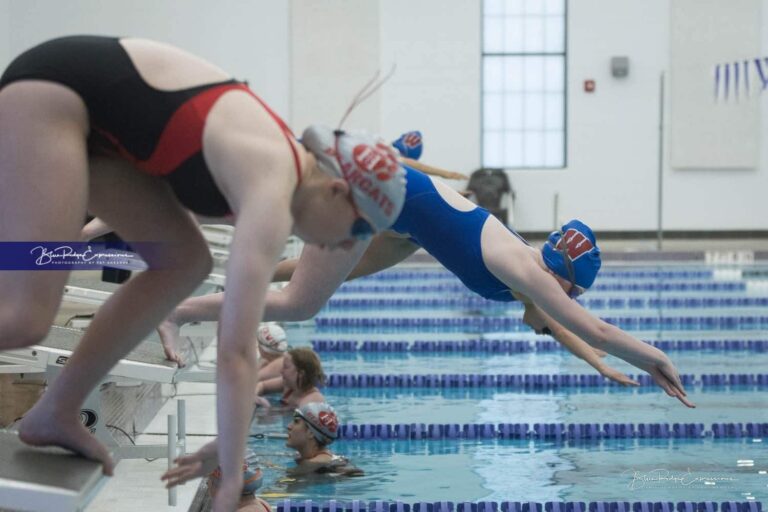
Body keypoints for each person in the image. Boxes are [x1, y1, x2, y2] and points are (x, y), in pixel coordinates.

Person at [0, 35, 406, 511]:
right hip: (54, 91)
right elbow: (235, 350)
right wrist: (230, 478)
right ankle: (58, 407)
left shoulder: (274, 175)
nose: (348, 247)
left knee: (185, 261)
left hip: (97, 123)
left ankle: (57, 410)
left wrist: (227, 447)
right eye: (360, 230)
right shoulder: (274, 187)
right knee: (26, 319)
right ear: (336, 190)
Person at [161, 160, 697, 406]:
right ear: (566, 279)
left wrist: (600, 365)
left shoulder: (530, 277)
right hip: (385, 194)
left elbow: (556, 325)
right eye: (575, 292)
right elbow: (594, 327)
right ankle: (180, 292)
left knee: (302, 286)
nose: (571, 301)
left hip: (401, 224)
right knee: (297, 295)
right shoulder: (527, 271)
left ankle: (191, 278)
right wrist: (653, 356)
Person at [162, 402, 362, 490]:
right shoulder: (320, 461)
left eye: (296, 422)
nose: (289, 426)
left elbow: (282, 487)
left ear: (311, 432)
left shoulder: (315, 465)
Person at [255, 347, 326, 408]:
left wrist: (266, 407)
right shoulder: (289, 385)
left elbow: (300, 423)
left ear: (300, 374)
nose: (281, 371)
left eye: (286, 367)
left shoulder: (312, 401)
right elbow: (262, 386)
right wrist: (255, 396)